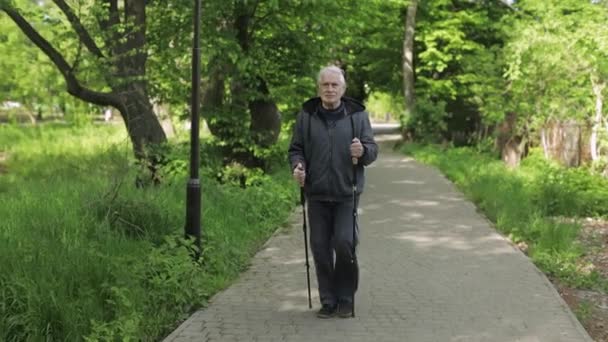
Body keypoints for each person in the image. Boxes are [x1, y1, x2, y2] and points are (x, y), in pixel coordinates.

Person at [288, 65, 378, 318]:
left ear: (343, 89)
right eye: (325, 85)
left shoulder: (357, 115)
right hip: (316, 193)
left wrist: (363, 152)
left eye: (334, 85)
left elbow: (372, 149)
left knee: (344, 243)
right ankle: (328, 300)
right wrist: (298, 166)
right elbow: (296, 149)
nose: (329, 89)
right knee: (319, 247)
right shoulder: (307, 114)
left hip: (346, 193)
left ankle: (346, 298)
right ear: (319, 88)